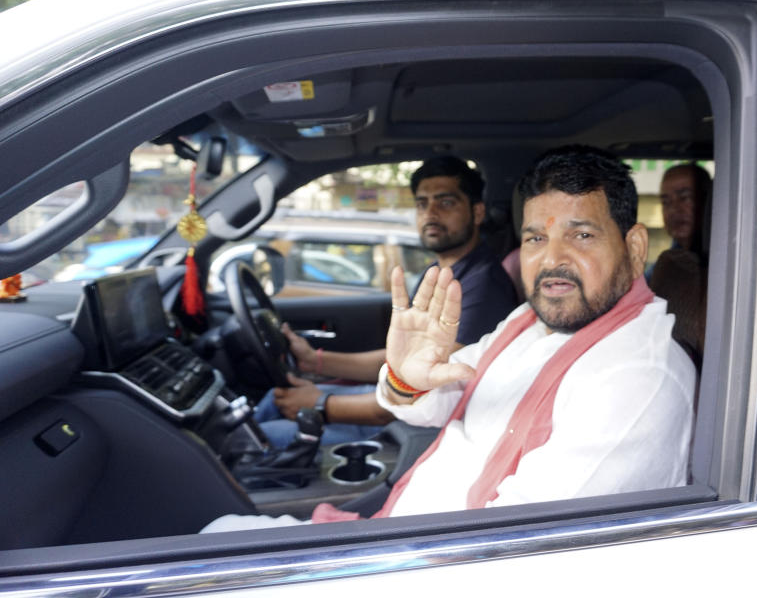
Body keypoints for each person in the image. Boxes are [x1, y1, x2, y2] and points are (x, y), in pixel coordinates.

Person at [204, 146, 695, 531]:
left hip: (431, 561)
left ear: (633, 249)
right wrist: (404, 378)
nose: (551, 260)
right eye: (535, 238)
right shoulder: (528, 321)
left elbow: (519, 551)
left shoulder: (636, 378)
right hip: (403, 528)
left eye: (581, 235)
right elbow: (432, 402)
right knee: (217, 528)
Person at [254, 156, 518, 446]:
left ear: (477, 213)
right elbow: (404, 360)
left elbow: (426, 385)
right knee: (272, 400)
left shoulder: (483, 288)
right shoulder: (440, 270)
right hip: (395, 401)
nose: (430, 213)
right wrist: (315, 361)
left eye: (445, 203)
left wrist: (322, 404)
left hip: (410, 425)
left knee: (259, 441)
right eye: (422, 204)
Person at [647, 163, 712, 363]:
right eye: (666, 202)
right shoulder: (666, 265)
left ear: (709, 201)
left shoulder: (723, 267)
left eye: (684, 197)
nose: (674, 209)